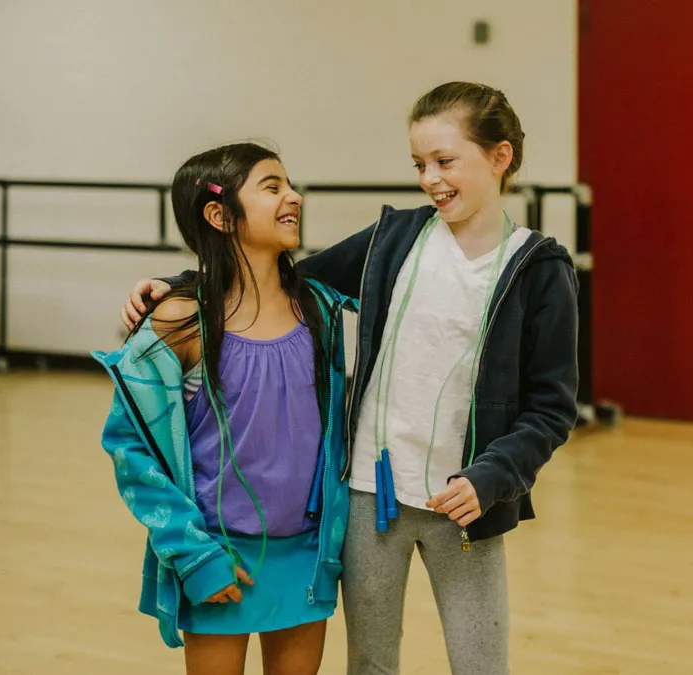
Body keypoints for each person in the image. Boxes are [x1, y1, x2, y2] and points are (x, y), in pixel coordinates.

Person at [121, 82, 579, 674]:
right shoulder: (394, 240)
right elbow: (271, 277)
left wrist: (494, 475)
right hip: (369, 499)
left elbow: (551, 407)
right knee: (369, 663)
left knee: (482, 664)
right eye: (419, 164)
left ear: (499, 157)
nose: (430, 179)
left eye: (445, 161)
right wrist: (179, 286)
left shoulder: (540, 268)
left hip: (466, 505)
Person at [95, 142, 353, 675]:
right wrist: (194, 556)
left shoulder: (320, 308)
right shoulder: (179, 320)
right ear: (219, 214)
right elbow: (131, 451)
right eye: (272, 186)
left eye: (290, 184)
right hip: (218, 559)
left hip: (305, 556)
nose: (294, 197)